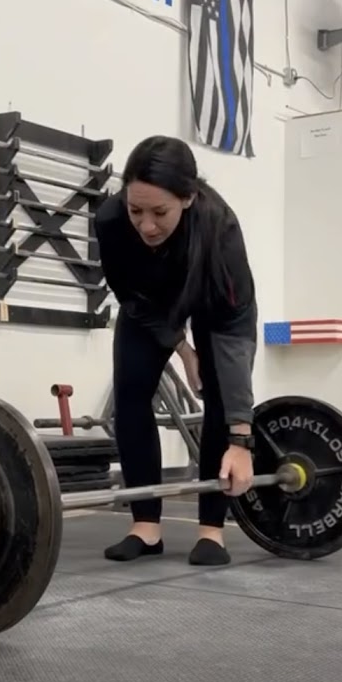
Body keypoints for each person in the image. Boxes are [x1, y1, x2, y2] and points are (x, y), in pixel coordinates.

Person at [95, 135, 258, 567]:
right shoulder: (110, 222)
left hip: (214, 309)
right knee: (130, 391)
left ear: (187, 197)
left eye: (159, 212)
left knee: (219, 396)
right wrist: (181, 350)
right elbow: (130, 297)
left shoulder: (220, 229)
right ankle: (145, 527)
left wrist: (242, 438)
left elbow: (234, 334)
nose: (146, 225)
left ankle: (211, 532)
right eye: (137, 211)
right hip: (148, 305)